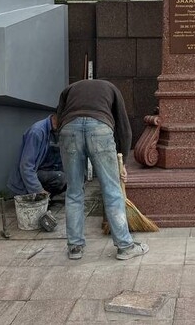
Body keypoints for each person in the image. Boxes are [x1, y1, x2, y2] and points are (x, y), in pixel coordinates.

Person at [56, 78, 148, 261]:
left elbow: (59, 118)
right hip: (100, 129)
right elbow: (124, 128)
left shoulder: (69, 89)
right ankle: (125, 246)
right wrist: (122, 162)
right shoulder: (112, 88)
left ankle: (75, 247)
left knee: (74, 191)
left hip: (69, 130)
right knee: (112, 191)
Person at [6, 113, 66, 201]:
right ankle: (40, 197)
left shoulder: (58, 131)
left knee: (76, 175)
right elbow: (26, 166)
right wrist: (38, 190)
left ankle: (47, 197)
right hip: (34, 174)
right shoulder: (37, 131)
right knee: (61, 178)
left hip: (48, 170)